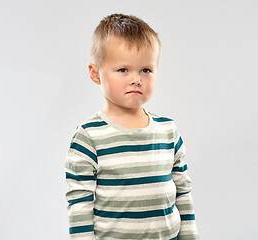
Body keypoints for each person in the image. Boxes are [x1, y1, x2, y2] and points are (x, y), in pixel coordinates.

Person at [65, 13, 200, 239]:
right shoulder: (89, 137)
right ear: (95, 73)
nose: (136, 79)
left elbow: (183, 194)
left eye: (145, 70)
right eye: (123, 70)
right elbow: (80, 206)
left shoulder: (168, 131)